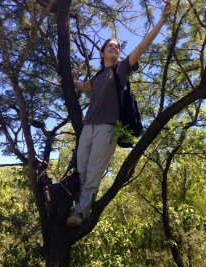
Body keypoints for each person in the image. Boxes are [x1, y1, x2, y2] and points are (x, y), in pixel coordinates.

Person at [67, 1, 172, 227]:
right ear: (102, 52)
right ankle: (82, 204)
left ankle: (79, 213)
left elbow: (142, 45)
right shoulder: (97, 76)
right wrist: (67, 78)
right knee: (82, 169)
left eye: (117, 46)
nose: (115, 48)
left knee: (93, 171)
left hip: (107, 127)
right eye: (110, 46)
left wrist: (162, 20)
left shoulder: (121, 69)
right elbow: (82, 87)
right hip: (88, 127)